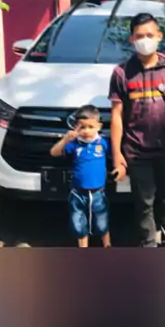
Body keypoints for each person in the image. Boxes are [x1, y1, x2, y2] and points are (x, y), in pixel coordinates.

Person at [109, 12, 165, 247]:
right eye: (139, 36)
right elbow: (116, 115)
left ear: (159, 36)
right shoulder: (122, 73)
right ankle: (148, 245)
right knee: (144, 203)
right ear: (132, 39)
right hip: (137, 151)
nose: (145, 40)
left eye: (149, 35)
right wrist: (117, 154)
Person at [50, 105, 111, 248]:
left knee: (102, 221)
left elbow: (115, 156)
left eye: (91, 127)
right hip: (78, 193)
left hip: (98, 192)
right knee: (78, 223)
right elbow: (54, 152)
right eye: (82, 127)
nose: (86, 131)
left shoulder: (103, 143)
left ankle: (107, 244)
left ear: (99, 126)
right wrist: (65, 140)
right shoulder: (74, 144)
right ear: (76, 127)